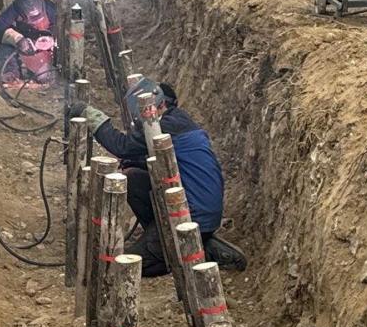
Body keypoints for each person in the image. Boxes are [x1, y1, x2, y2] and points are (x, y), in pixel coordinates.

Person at [84, 78, 246, 278]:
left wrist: (91, 116)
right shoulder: (180, 121)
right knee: (133, 178)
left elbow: (122, 146)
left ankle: (181, 250)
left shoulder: (163, 126)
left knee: (121, 270)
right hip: (203, 208)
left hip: (193, 216)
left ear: (160, 105)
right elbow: (169, 163)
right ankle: (178, 240)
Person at [0, 0, 58, 85]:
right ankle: (12, 71)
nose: (31, 5)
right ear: (20, 3)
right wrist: (18, 39)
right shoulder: (15, 8)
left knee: (43, 77)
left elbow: (62, 26)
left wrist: (53, 39)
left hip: (47, 43)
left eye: (33, 0)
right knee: (4, 40)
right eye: (26, 3)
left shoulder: (48, 6)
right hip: (27, 43)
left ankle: (53, 68)